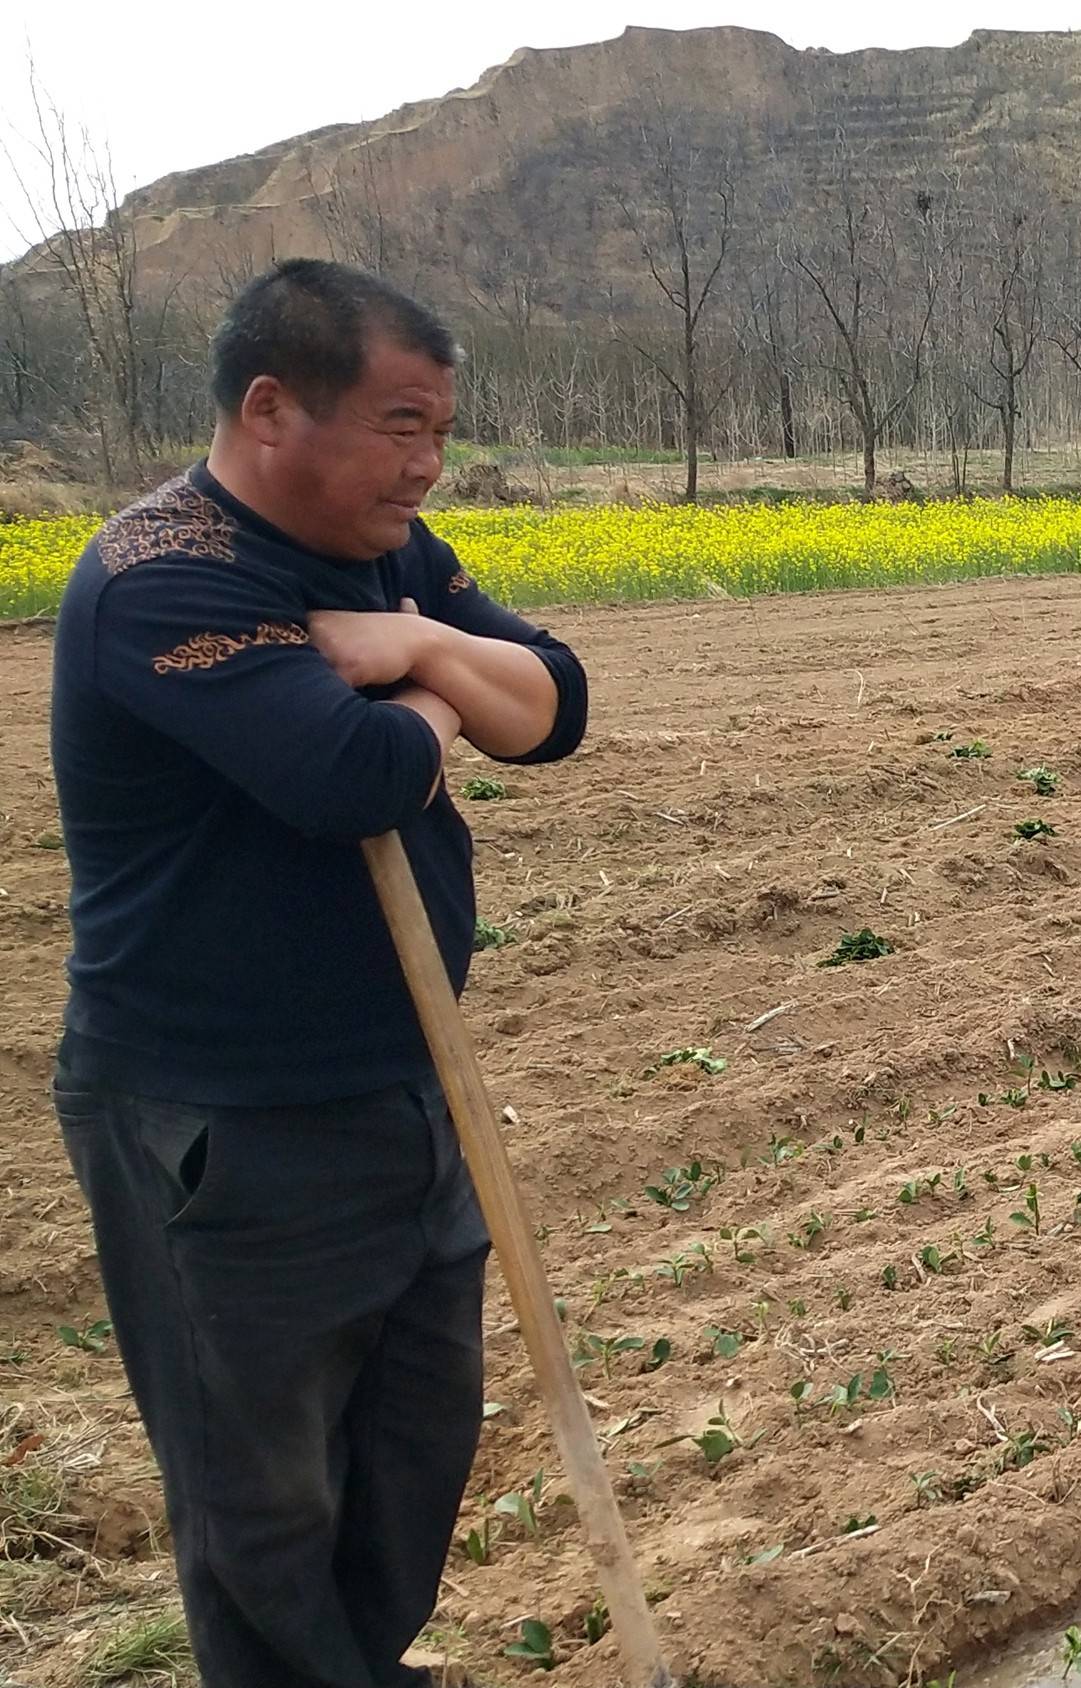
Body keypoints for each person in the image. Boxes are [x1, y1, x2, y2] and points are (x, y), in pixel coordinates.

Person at [48, 259, 588, 1688]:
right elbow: (349, 778)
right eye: (401, 425)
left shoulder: (396, 558)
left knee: (417, 1441)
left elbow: (554, 703)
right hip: (223, 1125)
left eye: (442, 433)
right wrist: (443, 697)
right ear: (273, 406)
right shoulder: (164, 578)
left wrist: (414, 642)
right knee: (262, 1497)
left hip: (408, 1081)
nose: (428, 466)